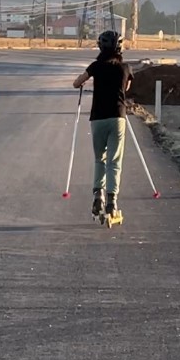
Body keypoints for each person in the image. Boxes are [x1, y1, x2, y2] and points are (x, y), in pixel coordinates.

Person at [72, 30, 133, 221]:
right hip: (118, 117)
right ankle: (112, 201)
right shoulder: (125, 68)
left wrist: (85, 82)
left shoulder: (96, 66)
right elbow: (126, 88)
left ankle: (98, 195)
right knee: (114, 161)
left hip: (98, 118)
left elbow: (76, 83)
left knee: (100, 159)